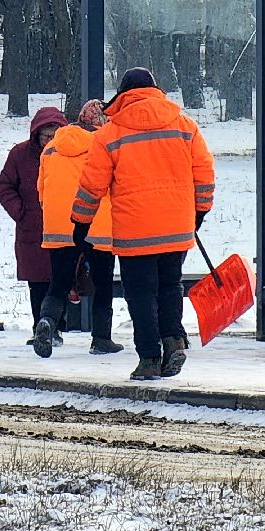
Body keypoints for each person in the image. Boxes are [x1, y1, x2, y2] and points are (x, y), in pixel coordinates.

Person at [72, 68, 215, 381]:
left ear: (122, 95)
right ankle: (174, 340)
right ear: (155, 90)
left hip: (135, 231)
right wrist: (199, 212)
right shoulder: (185, 125)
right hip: (177, 227)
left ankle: (150, 358)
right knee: (169, 286)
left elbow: (91, 185)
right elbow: (204, 172)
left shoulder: (111, 134)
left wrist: (80, 222)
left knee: (141, 294)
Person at [33, 99, 124, 358]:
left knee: (59, 282)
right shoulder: (104, 146)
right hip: (97, 223)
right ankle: (101, 339)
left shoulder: (51, 147)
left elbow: (41, 190)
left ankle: (48, 322)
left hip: (59, 225)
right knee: (103, 283)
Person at [0, 106, 69, 340]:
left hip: (64, 226)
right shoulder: (20, 155)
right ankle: (42, 327)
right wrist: (21, 212)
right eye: (46, 135)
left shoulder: (69, 153)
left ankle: (55, 326)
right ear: (36, 134)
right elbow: (4, 186)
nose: (50, 140)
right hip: (32, 228)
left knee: (62, 279)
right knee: (37, 282)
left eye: (55, 135)